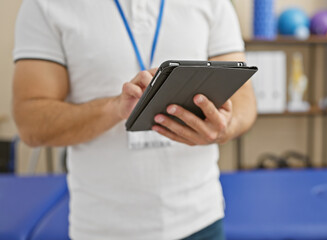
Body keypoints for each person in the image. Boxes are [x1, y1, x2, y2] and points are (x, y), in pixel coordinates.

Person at [12, 0, 256, 239]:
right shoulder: (45, 5)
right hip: (102, 228)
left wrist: (224, 127)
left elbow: (244, 97)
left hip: (201, 220)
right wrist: (115, 108)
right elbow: (30, 122)